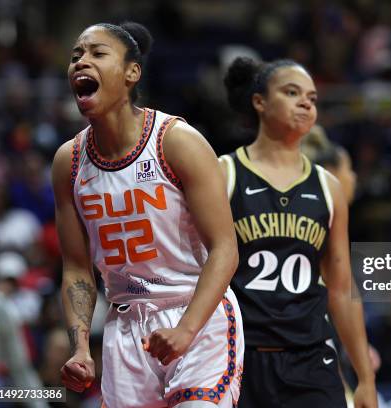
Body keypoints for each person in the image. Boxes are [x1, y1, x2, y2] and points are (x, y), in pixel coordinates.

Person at [51, 22, 243, 408]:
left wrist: (186, 331)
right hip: (125, 327)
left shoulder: (175, 141)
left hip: (197, 313)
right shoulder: (67, 161)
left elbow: (225, 249)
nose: (81, 62)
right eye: (75, 56)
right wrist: (81, 347)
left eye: (96, 53)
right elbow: (75, 268)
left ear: (131, 72)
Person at [220, 57, 377, 408]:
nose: (306, 102)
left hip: (310, 358)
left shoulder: (329, 187)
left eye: (312, 97)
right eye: (292, 93)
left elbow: (340, 286)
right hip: (238, 354)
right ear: (259, 102)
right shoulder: (225, 173)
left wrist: (365, 378)